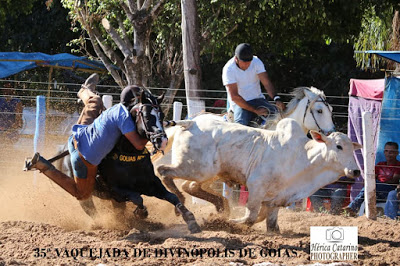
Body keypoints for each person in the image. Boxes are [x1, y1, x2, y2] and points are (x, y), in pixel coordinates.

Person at [24, 75, 149, 200]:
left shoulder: (121, 112)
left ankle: (85, 90)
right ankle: (84, 90)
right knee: (82, 194)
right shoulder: (126, 117)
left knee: (95, 102)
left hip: (88, 131)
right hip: (87, 141)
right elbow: (137, 144)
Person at [222, 43, 285, 126]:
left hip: (258, 99)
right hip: (240, 103)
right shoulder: (229, 69)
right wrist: (255, 110)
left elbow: (267, 83)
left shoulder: (256, 62)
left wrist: (277, 99)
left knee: (279, 117)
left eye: (249, 62)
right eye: (244, 62)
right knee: (241, 127)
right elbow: (234, 96)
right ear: (236, 59)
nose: (247, 65)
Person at [343, 141, 400, 216]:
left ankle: (353, 207)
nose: (388, 154)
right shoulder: (380, 164)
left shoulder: (398, 165)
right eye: (386, 151)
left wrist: (377, 184)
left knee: (372, 185)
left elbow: (394, 181)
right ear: (384, 152)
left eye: (391, 152)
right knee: (369, 185)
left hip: (389, 190)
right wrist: (375, 184)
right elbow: (372, 177)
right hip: (377, 189)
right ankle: (353, 208)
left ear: (397, 153)